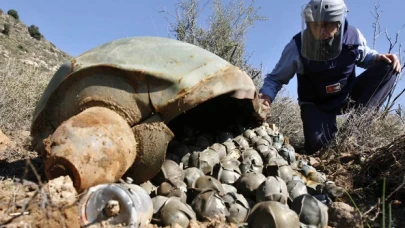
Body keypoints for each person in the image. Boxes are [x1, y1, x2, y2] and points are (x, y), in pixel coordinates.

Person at [258, 0, 401, 155]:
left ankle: (353, 134)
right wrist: (265, 99)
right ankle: (325, 140)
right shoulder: (297, 46)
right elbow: (275, 79)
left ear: (338, 22)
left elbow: (364, 56)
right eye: (315, 24)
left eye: (327, 24)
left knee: (389, 67)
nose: (321, 30)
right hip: (317, 104)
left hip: (346, 96)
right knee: (321, 150)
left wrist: (378, 57)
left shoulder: (353, 36)